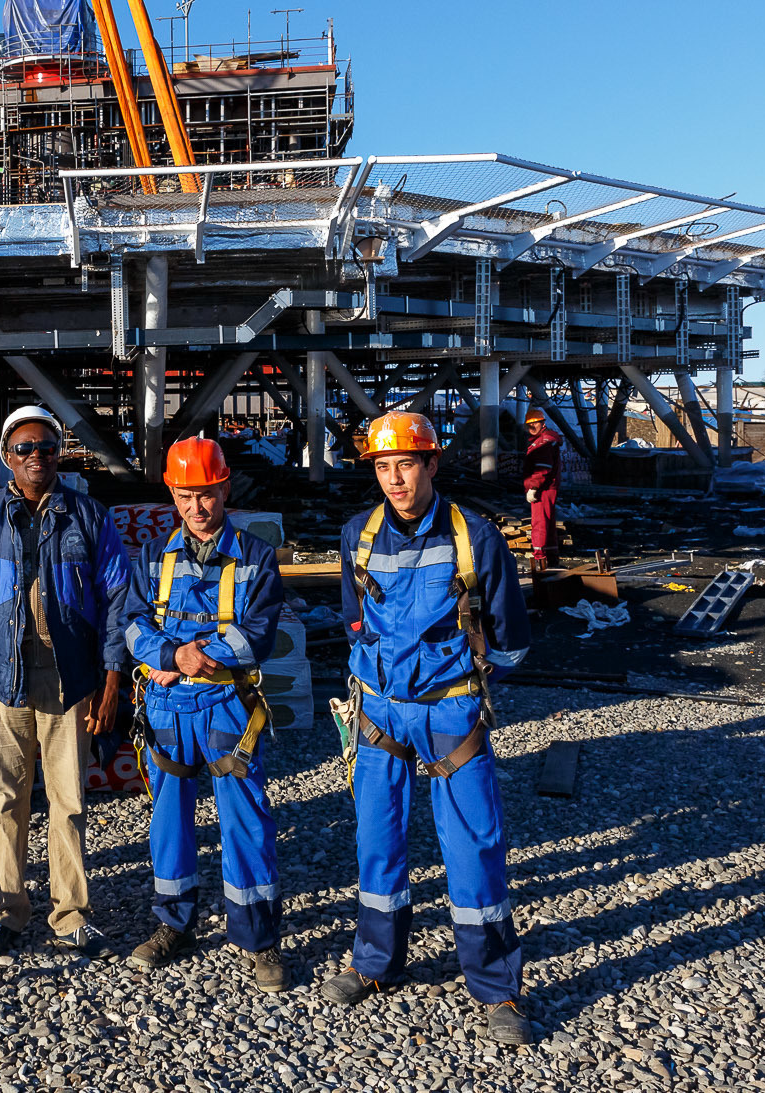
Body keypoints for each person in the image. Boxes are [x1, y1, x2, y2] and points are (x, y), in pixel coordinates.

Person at [324, 411, 534, 1045]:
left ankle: (498, 990)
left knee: (473, 850)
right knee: (377, 842)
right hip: (380, 713)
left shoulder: (475, 535)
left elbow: (512, 637)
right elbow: (353, 620)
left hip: (450, 712)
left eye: (406, 465)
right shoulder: (357, 535)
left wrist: (462, 688)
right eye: (384, 468)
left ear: (432, 465)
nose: (395, 479)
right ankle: (376, 964)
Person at [0, 406, 134, 959]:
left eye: (47, 447)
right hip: (1, 680)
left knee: (68, 799)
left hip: (67, 677)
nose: (37, 457)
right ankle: (10, 911)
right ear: (7, 456)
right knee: (6, 800)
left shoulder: (88, 516)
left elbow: (119, 597)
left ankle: (71, 912)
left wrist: (111, 678)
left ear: (60, 455)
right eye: (25, 448)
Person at [121, 436, 288, 992]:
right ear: (172, 492)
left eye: (208, 494)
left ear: (226, 488)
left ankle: (259, 939)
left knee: (246, 820)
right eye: (186, 495)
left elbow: (260, 632)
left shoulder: (257, 556)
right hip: (169, 710)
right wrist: (167, 655)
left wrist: (192, 657)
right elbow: (133, 622)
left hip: (226, 706)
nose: (198, 507)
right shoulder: (151, 556)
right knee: (168, 822)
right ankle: (174, 924)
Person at [522, 407, 562, 575]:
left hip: (542, 489)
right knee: (548, 522)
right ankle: (552, 556)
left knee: (539, 523)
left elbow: (542, 468)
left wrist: (533, 487)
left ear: (542, 423)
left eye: (535, 424)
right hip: (548, 487)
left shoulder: (542, 443)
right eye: (529, 425)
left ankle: (539, 557)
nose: (532, 427)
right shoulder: (546, 440)